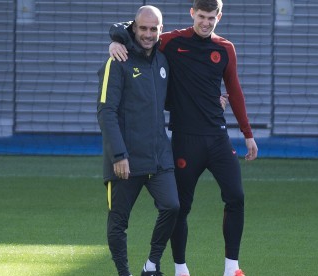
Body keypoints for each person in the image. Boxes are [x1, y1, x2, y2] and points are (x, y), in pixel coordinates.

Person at [108, 1, 259, 276]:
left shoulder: (225, 48)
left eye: (211, 17)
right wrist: (116, 41)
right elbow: (138, 31)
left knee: (236, 196)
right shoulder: (171, 41)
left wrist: (248, 135)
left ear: (219, 16)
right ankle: (181, 269)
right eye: (201, 16)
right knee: (180, 207)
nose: (206, 22)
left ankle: (232, 268)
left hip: (217, 138)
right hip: (185, 140)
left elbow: (234, 91)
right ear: (193, 14)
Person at [97, 5, 180, 276]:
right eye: (142, 28)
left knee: (172, 206)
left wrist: (212, 104)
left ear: (160, 30)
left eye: (153, 29)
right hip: (126, 160)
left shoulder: (162, 61)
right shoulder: (117, 61)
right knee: (118, 222)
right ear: (133, 28)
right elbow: (106, 111)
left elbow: (169, 102)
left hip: (158, 156)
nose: (147, 34)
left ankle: (151, 266)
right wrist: (119, 155)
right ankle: (124, 273)